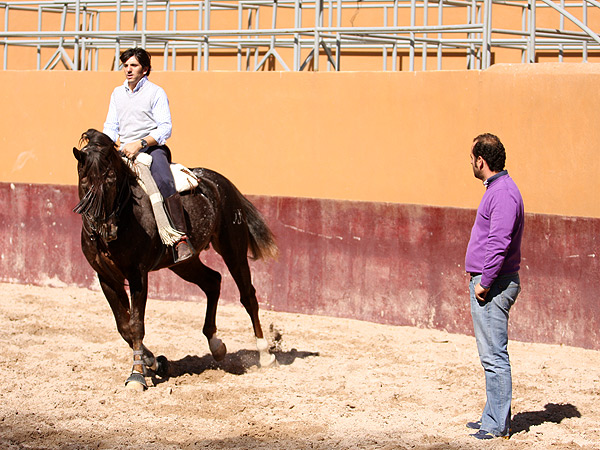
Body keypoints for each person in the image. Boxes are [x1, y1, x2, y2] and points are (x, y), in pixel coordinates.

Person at [103, 47, 193, 263]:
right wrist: (105, 146)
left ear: (145, 69)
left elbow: (165, 129)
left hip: (152, 149)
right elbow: (111, 125)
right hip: (124, 150)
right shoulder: (117, 93)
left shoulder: (156, 92)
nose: (128, 70)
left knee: (163, 180)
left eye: (133, 65)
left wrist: (140, 143)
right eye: (125, 65)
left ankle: (180, 239)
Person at [464, 133, 524, 440]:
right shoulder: (500, 189)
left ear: (481, 160)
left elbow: (498, 242)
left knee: (494, 356)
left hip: (494, 285)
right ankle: (492, 416)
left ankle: (496, 425)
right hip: (494, 282)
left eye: (471, 158)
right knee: (491, 355)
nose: (470, 163)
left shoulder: (501, 193)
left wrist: (484, 283)